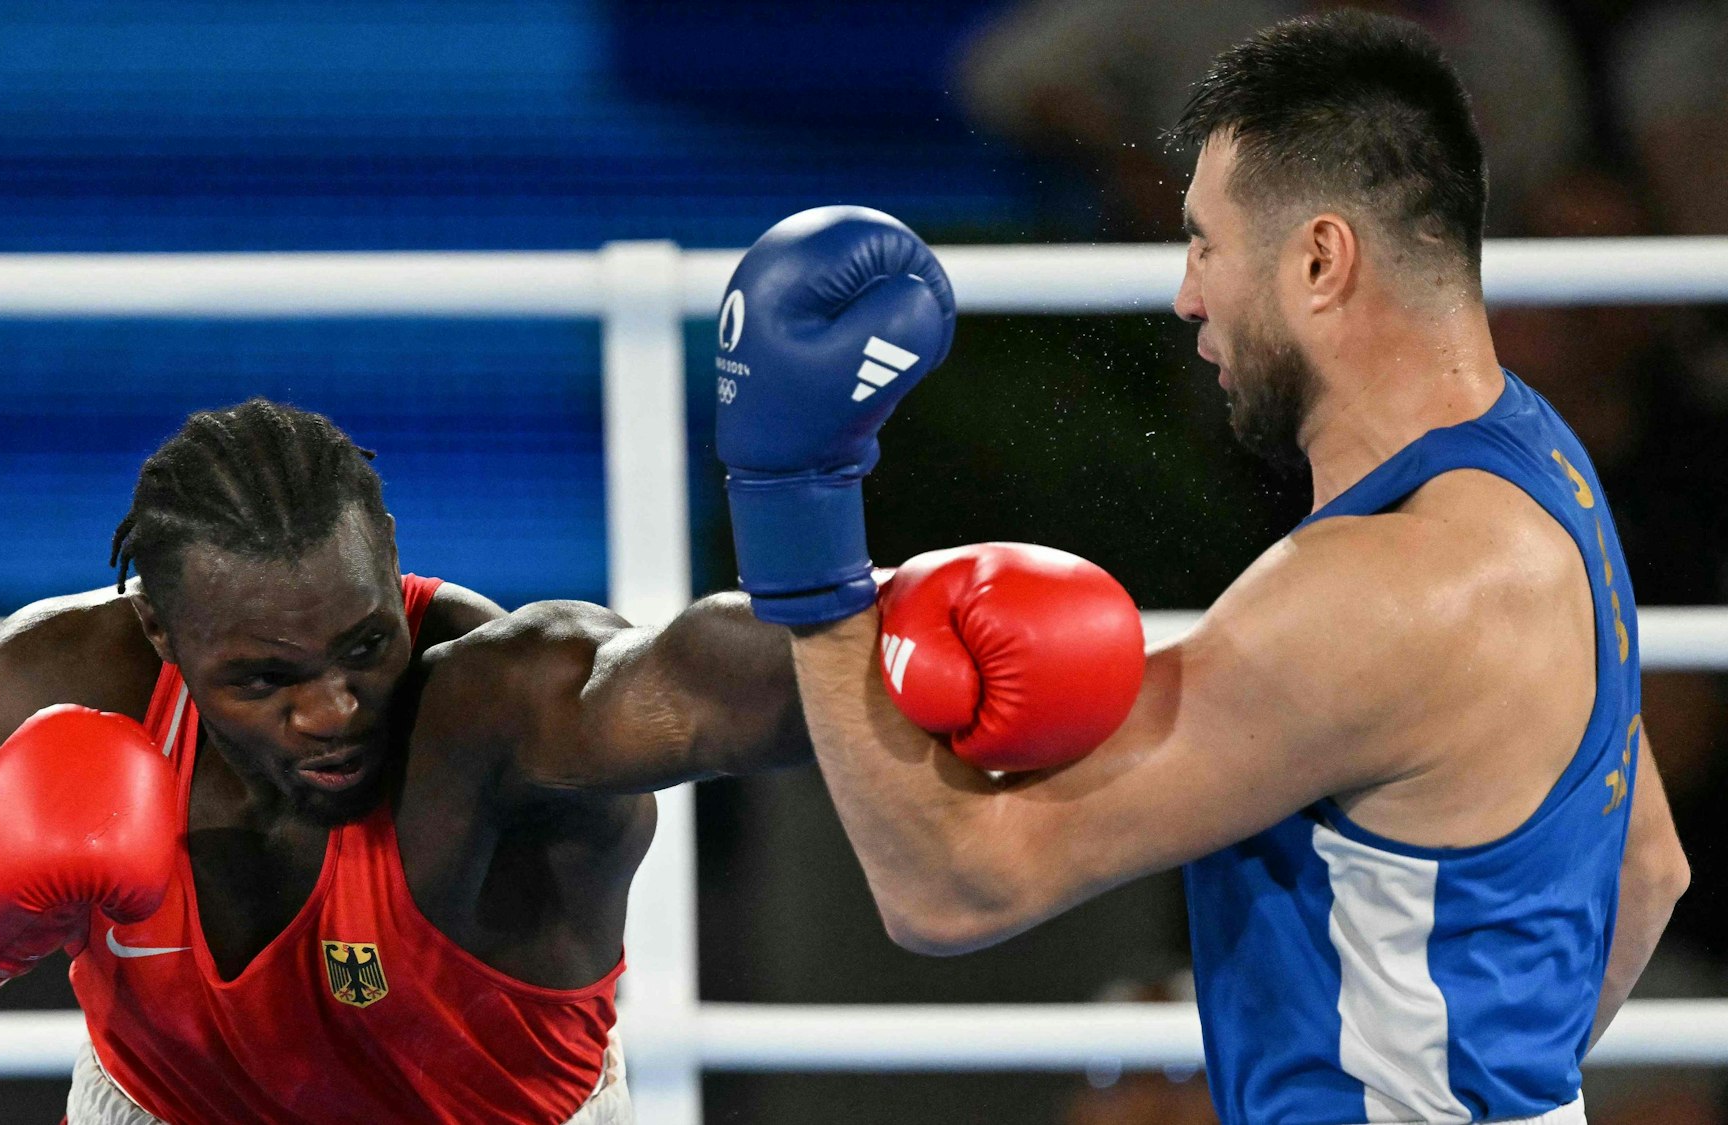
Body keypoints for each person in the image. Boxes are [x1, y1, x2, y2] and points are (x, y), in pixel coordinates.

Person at [714, 12, 1688, 1124]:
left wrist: (800, 521)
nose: (1185, 295)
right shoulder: (1539, 467)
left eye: (1204, 243)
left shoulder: (1377, 591)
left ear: (1319, 260)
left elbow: (952, 884)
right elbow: (1644, 874)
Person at [0, 399, 811, 1124]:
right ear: (163, 634)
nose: (333, 709)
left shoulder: (494, 701)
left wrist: (880, 628)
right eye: (266, 679)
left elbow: (694, 691)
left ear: (390, 556)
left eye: (362, 645)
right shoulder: (64, 682)